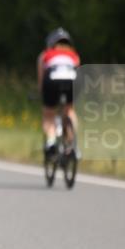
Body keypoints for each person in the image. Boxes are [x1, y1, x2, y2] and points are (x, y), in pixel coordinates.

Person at [37, 27, 80, 158]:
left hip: (52, 78)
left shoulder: (45, 54)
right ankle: (72, 145)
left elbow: (41, 77)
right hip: (71, 79)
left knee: (49, 114)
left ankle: (51, 142)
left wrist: (41, 93)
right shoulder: (74, 55)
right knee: (70, 110)